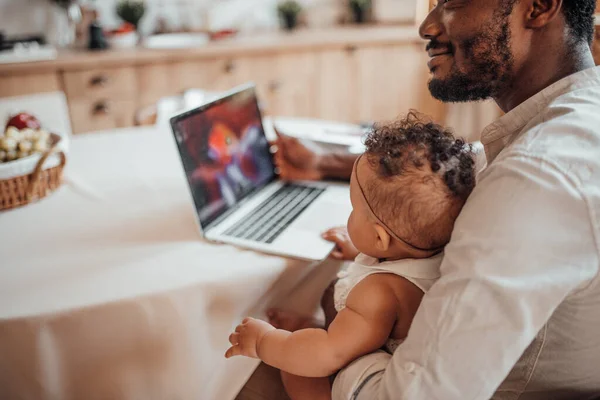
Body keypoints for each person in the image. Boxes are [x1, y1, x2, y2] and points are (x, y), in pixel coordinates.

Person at [238, 0, 600, 399]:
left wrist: (337, 340)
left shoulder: (534, 178)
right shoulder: (572, 120)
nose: (428, 26)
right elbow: (472, 163)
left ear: (538, 7)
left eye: (453, 3)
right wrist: (324, 164)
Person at [225, 114, 476, 399]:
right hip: (364, 335)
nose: (350, 215)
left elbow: (327, 354)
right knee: (338, 330)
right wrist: (359, 249)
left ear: (380, 239)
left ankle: (308, 338)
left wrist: (265, 342)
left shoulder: (379, 292)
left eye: (355, 208)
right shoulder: (434, 249)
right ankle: (312, 328)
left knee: (296, 368)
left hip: (353, 365)